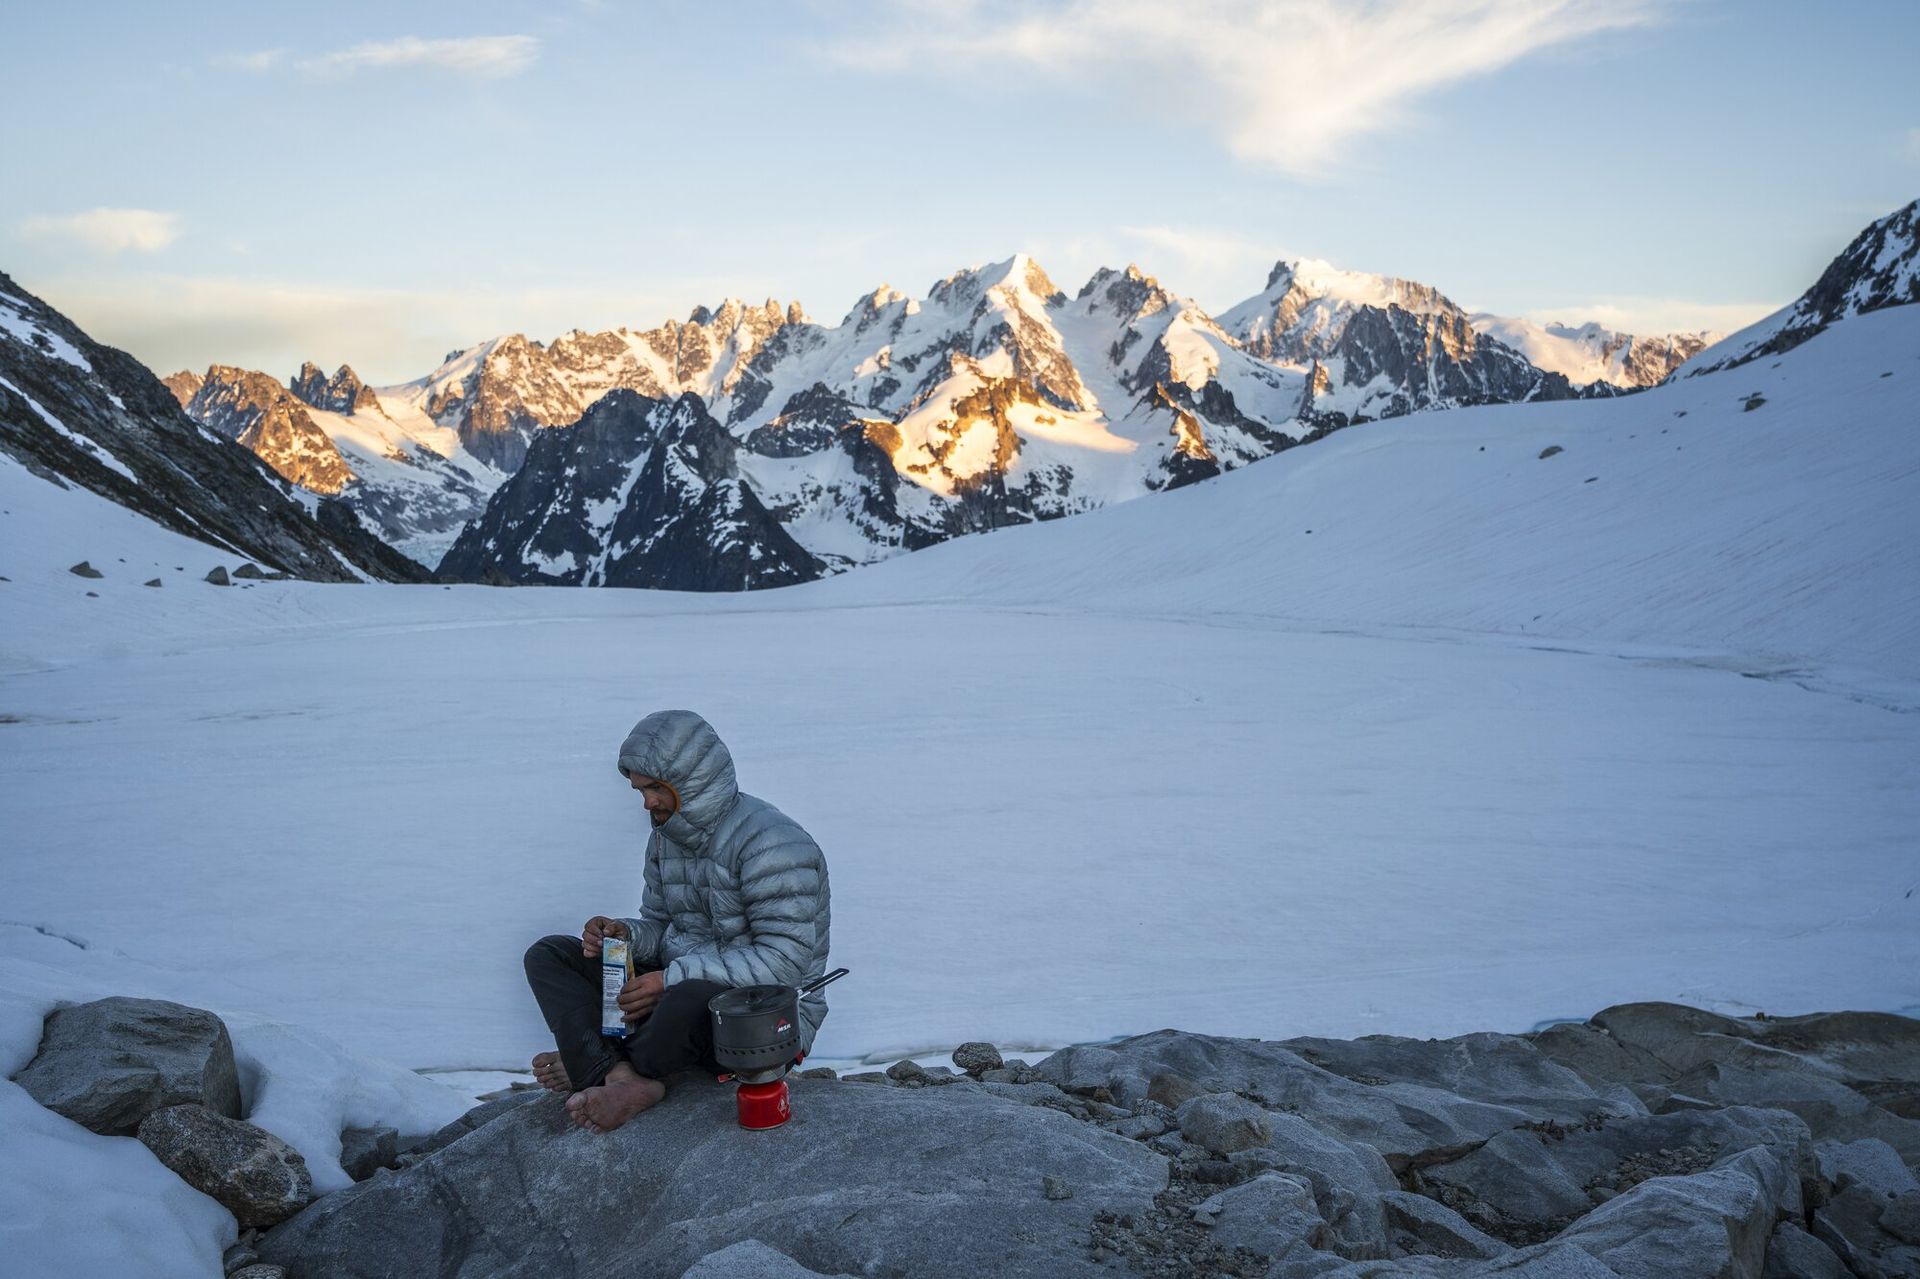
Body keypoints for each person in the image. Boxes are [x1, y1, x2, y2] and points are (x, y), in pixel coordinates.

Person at [522, 709, 833, 1133]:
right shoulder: (666, 839)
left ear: (693, 780)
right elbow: (665, 926)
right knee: (550, 955)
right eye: (640, 791)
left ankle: (591, 1059)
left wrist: (667, 981)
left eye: (655, 788)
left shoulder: (773, 844)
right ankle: (622, 1076)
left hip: (761, 1017)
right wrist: (626, 935)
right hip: (677, 990)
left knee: (683, 1002)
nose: (647, 803)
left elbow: (784, 964)